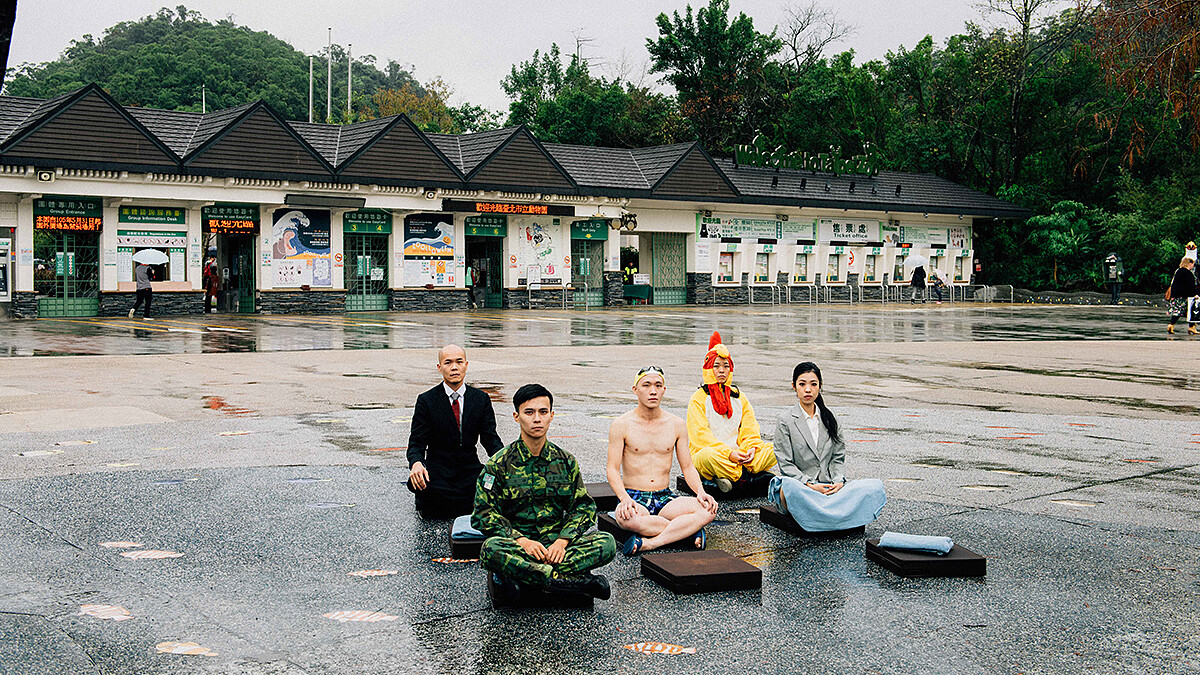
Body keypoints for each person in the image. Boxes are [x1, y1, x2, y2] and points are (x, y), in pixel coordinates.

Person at [473, 384, 616, 602]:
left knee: (607, 543)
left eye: (543, 412)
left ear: (551, 416)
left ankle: (533, 576)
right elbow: (483, 514)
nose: (536, 419)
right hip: (520, 546)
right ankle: (566, 581)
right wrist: (521, 541)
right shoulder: (499, 464)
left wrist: (563, 541)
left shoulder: (565, 461)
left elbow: (583, 507)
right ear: (516, 416)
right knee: (490, 550)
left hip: (557, 545)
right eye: (529, 412)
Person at [607, 366, 717, 555]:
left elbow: (688, 467)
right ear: (635, 389)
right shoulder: (621, 424)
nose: (653, 391)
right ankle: (687, 531)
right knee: (627, 519)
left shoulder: (676, 424)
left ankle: (652, 543)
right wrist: (624, 498)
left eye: (658, 385)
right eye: (646, 385)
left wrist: (701, 492)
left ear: (664, 390)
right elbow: (612, 469)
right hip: (635, 497)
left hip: (666, 497)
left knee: (708, 510)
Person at [769, 362, 886, 531]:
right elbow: (786, 463)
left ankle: (821, 514)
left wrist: (838, 481)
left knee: (873, 486)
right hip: (804, 489)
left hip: (829, 488)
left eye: (813, 384)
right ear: (794, 386)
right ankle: (834, 514)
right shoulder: (786, 420)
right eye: (802, 384)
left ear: (820, 386)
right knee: (789, 488)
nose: (808, 390)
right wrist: (809, 485)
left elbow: (838, 457)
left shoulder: (831, 418)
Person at [407, 345, 504, 518]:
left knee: (493, 483)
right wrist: (416, 464)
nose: (454, 367)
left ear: (466, 365)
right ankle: (462, 504)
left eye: (459, 362)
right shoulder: (426, 400)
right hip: (438, 471)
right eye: (448, 362)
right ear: (440, 367)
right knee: (417, 483)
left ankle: (453, 504)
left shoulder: (480, 399)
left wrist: (505, 463)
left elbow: (490, 439)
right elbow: (416, 442)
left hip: (470, 469)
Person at [687, 332, 776, 493]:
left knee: (776, 449)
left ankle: (731, 476)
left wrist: (751, 449)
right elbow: (701, 438)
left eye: (726, 366)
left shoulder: (739, 397)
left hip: (740, 454)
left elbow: (750, 430)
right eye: (716, 366)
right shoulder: (698, 398)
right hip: (717, 454)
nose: (721, 370)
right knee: (706, 456)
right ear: (708, 368)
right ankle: (747, 475)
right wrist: (729, 454)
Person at [1166, 257, 1198, 335]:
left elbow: (1174, 284)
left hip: (1176, 295)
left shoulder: (1178, 271)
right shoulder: (1188, 273)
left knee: (1178, 311)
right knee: (1191, 311)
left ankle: (1171, 325)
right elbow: (1190, 285)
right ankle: (1191, 327)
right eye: (1193, 264)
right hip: (1185, 296)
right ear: (1189, 263)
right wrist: (1194, 294)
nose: (1193, 266)